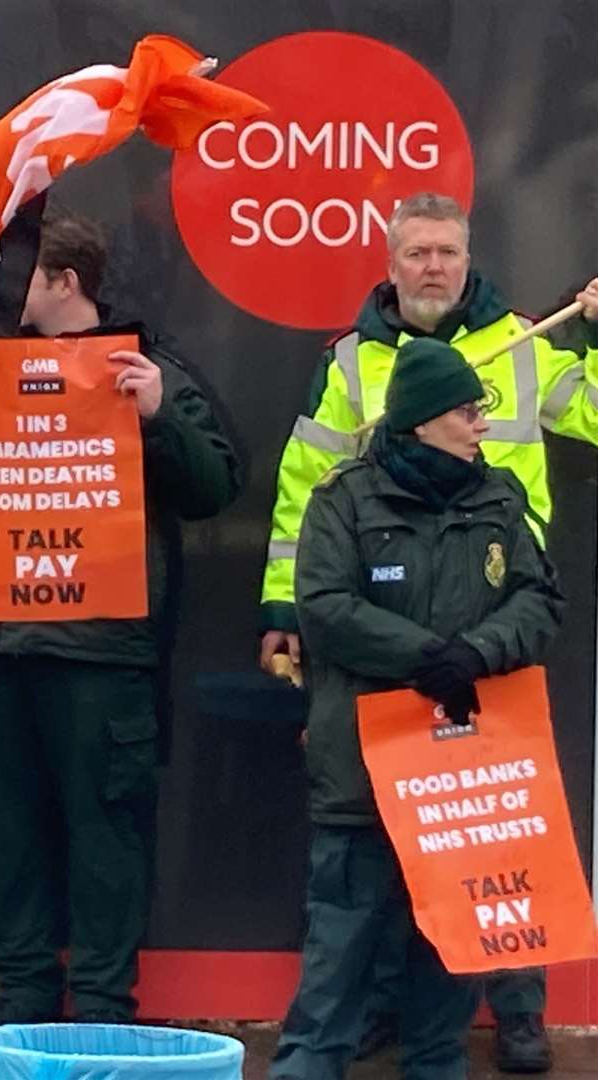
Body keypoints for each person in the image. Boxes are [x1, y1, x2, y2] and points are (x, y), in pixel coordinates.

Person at [259, 192, 598, 1072]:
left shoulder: (526, 341)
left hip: (494, 647)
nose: (434, 266)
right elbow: (302, 500)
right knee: (378, 867)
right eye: (418, 253)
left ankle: (518, 1012)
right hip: (389, 669)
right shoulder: (346, 365)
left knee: (496, 846)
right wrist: (279, 613)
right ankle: (373, 1019)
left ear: (466, 256)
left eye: (448, 251)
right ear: (392, 262)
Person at [0, 214, 240, 1042]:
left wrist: (160, 415)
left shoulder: (148, 363)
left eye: (19, 273)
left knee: (106, 832)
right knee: (9, 831)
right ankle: (21, 996)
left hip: (102, 646)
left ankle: (101, 1005)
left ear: (64, 280)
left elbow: (215, 487)